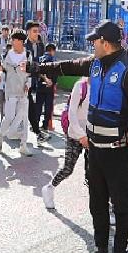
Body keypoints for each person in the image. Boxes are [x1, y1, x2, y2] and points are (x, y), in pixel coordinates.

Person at [33, 20, 128, 253]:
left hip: (118, 152)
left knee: (120, 205)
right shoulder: (94, 63)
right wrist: (37, 67)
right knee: (96, 201)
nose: (92, 44)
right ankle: (101, 249)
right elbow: (64, 66)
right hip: (94, 149)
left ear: (105, 43)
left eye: (94, 40)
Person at [41, 77, 90, 209]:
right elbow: (72, 113)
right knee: (68, 169)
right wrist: (81, 136)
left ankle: (103, 207)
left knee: (94, 173)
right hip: (75, 134)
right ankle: (49, 188)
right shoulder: (80, 86)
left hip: (93, 136)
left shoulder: (102, 86)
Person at [0, 29, 33, 156]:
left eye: (14, 40)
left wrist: (28, 84)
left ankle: (23, 145)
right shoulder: (7, 55)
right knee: (9, 117)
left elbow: (30, 73)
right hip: (10, 91)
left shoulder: (27, 55)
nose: (12, 42)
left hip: (23, 91)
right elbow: (3, 71)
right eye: (12, 40)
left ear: (20, 41)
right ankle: (0, 135)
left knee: (24, 118)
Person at [24, 21, 50, 143]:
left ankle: (37, 132)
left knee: (30, 107)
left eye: (37, 31)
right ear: (28, 32)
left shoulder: (40, 46)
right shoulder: (23, 46)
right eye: (34, 31)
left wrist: (44, 78)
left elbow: (41, 64)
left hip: (34, 81)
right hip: (23, 81)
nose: (36, 34)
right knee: (28, 108)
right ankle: (37, 132)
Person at [38, 43, 57, 132]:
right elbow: (56, 73)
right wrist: (53, 82)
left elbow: (37, 71)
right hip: (49, 87)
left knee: (38, 105)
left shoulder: (40, 59)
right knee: (48, 107)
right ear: (52, 51)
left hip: (40, 85)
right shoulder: (53, 60)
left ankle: (35, 123)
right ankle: (45, 125)